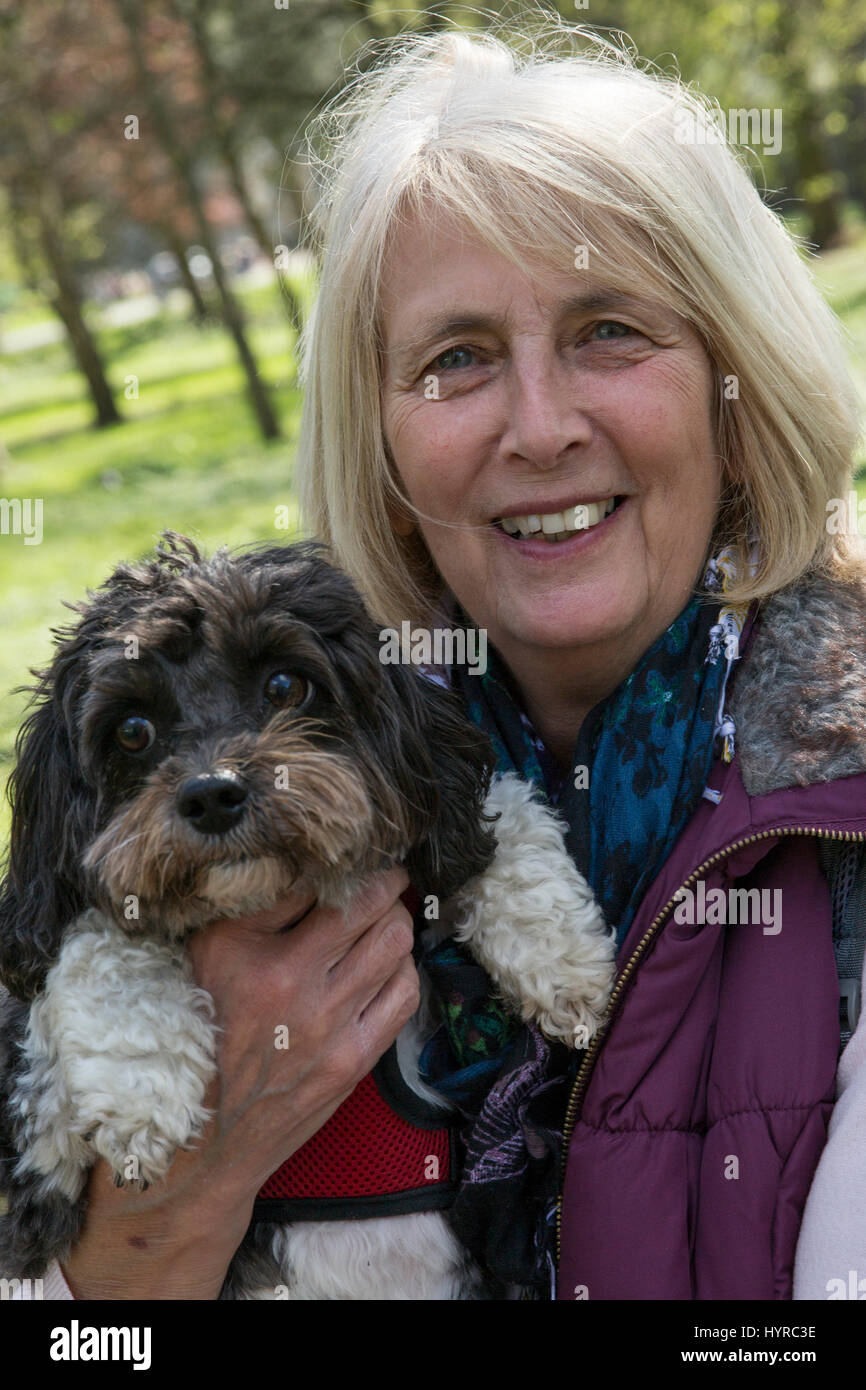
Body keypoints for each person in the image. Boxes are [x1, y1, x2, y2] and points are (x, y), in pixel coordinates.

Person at [35, 20, 866, 1300]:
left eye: (608, 332)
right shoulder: (277, 808)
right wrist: (165, 1218)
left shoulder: (840, 808)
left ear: (736, 384)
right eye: (457, 358)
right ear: (379, 444)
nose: (537, 428)